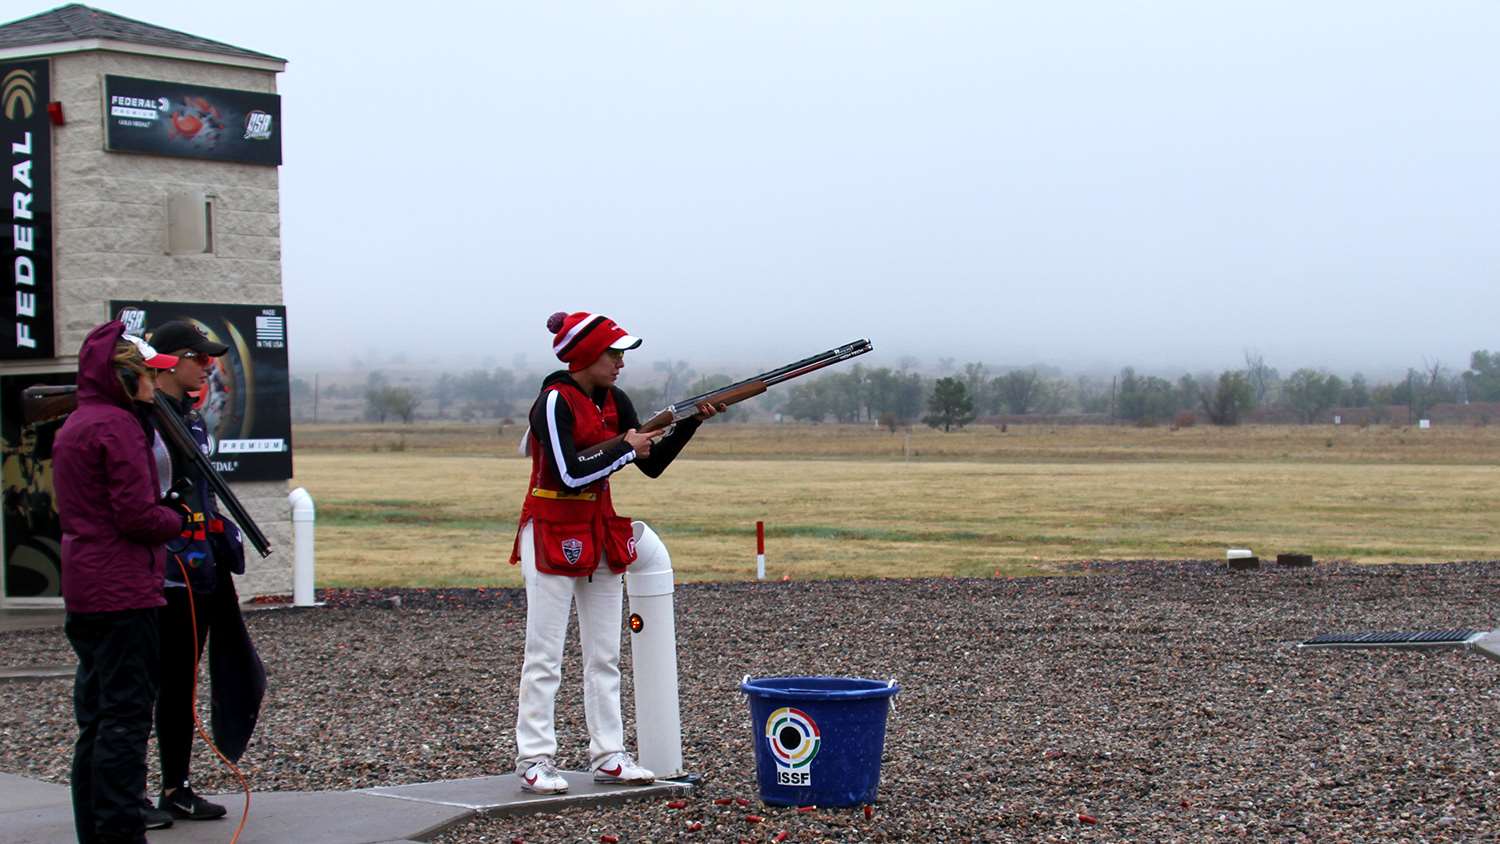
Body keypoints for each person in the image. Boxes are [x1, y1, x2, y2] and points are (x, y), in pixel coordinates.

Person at [510, 311, 719, 794]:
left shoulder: (615, 400)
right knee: (544, 655)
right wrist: (625, 446)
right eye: (612, 352)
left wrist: (688, 425)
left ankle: (608, 753)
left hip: (599, 529)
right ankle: (534, 757)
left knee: (605, 654)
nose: (620, 362)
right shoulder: (553, 402)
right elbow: (567, 474)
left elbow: (652, 464)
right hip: (550, 528)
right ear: (584, 354)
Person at [54, 321, 187, 844]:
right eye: (148, 377)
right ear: (124, 377)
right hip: (123, 589)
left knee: (97, 719)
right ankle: (119, 833)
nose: (155, 386)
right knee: (127, 721)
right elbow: (136, 517)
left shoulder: (78, 423)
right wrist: (175, 519)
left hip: (87, 589)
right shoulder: (118, 428)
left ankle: (95, 830)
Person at [143, 319, 257, 822]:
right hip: (158, 575)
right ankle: (127, 794)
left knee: (181, 687)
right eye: (198, 356)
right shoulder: (143, 420)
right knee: (141, 688)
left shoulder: (190, 420)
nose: (209, 366)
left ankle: (176, 787)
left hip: (197, 573)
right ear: (170, 360)